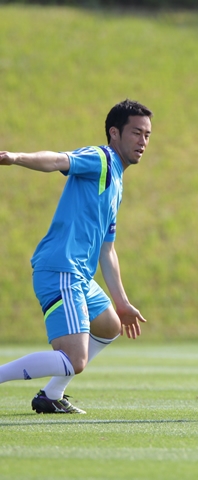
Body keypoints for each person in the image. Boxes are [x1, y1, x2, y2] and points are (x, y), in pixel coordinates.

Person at [0, 99, 153, 413]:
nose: (143, 141)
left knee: (110, 325)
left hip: (79, 275)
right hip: (60, 269)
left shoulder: (118, 181)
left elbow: (107, 249)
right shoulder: (101, 158)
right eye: (136, 133)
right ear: (114, 133)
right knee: (74, 360)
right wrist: (16, 157)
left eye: (147, 135)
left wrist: (121, 301)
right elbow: (57, 160)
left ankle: (50, 395)